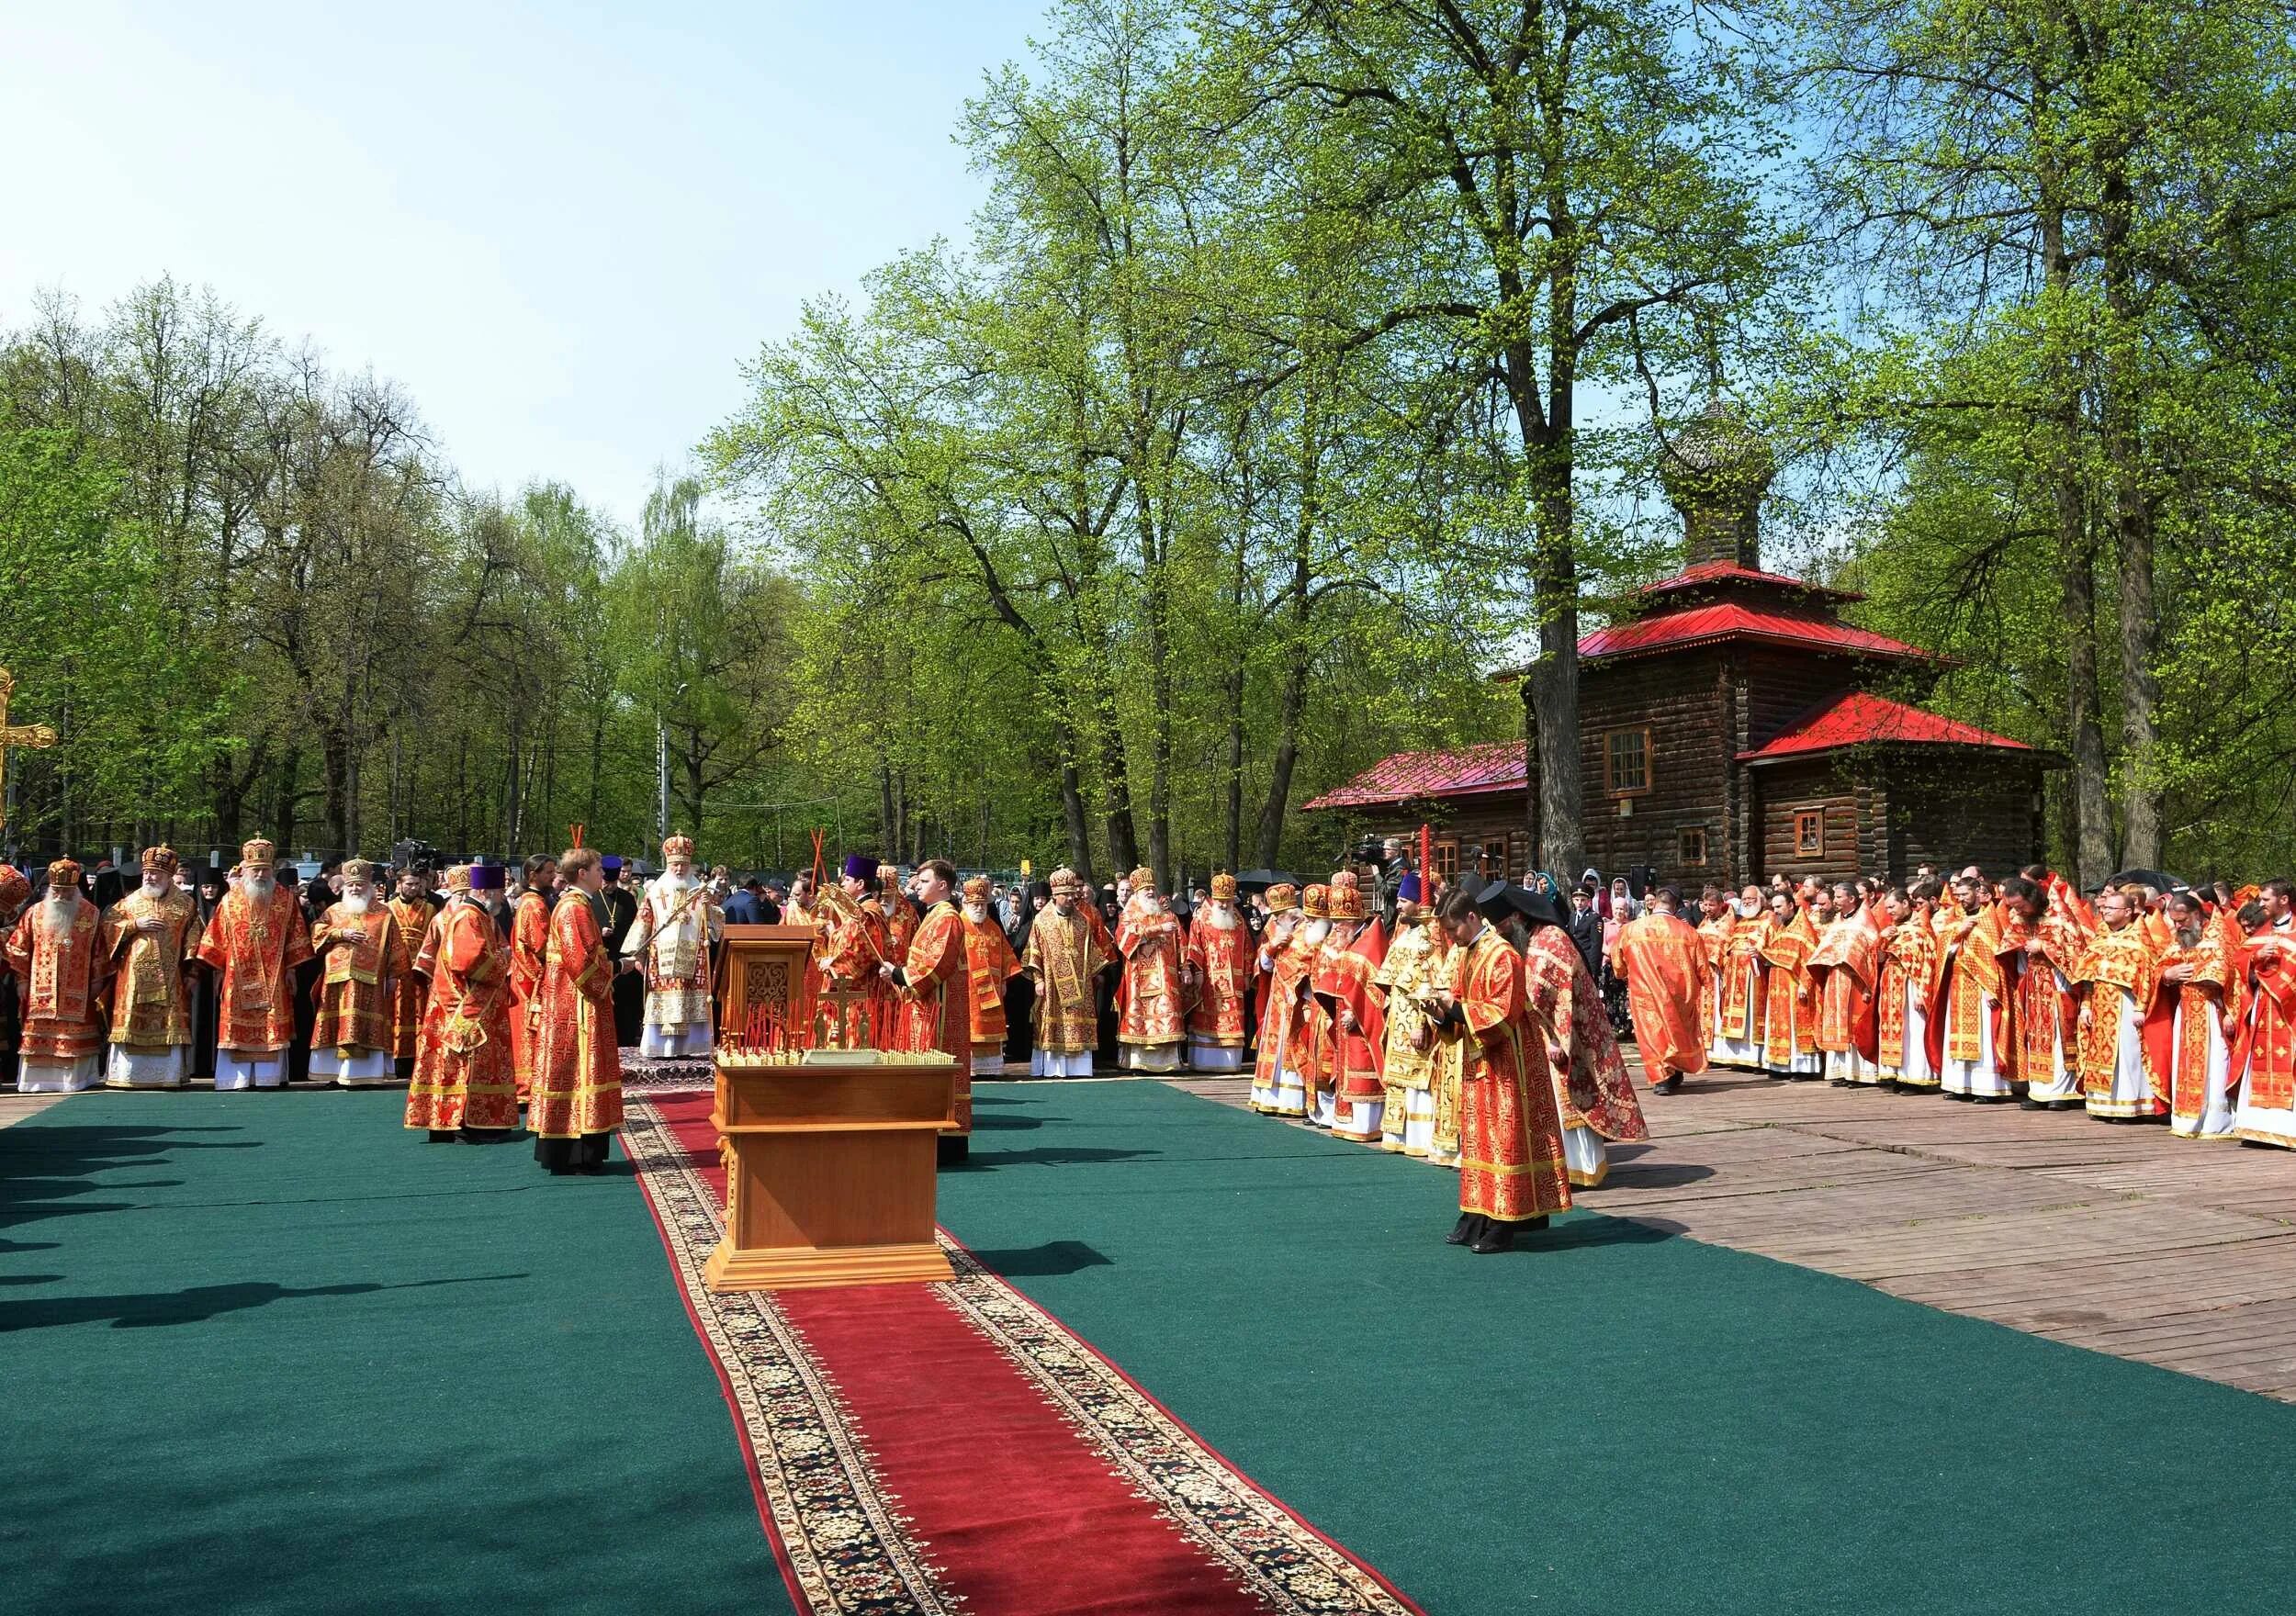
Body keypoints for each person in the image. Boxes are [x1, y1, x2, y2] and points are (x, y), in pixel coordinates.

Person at [1431, 885, 1570, 1254]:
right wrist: (1440, 1013)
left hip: (1510, 1062)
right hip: (1479, 1061)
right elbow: (1460, 1006)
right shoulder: (1466, 954)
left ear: (1472, 918)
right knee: (1479, 1139)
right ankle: (1477, 1211)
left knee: (1505, 1139)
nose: (1450, 938)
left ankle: (1505, 1220)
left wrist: (1455, 1007)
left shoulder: (1503, 957)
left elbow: (1500, 1016)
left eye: (1453, 930)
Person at [1521, 885, 1647, 1187]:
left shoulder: (1551, 941)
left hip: (1566, 1037)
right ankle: (1572, 1166)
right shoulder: (1544, 938)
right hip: (1565, 1033)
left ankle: (1578, 1168)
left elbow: (1553, 994)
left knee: (1572, 1100)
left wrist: (1555, 1038)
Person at [405, 864, 518, 1141]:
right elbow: (469, 961)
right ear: (483, 890)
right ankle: (464, 1123)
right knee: (461, 1065)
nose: (503, 897)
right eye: (500, 892)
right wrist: (504, 958)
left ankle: (470, 1121)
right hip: (462, 1004)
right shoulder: (469, 917)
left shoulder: (479, 915)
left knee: (465, 1065)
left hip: (471, 1003)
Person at [531, 847, 625, 1174]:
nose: (604, 874)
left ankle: (581, 1150)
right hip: (578, 1005)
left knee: (576, 1071)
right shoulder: (574, 908)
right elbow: (580, 963)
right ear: (582, 873)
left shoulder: (579, 904)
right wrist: (618, 968)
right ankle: (576, 1153)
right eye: (599, 868)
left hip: (575, 999)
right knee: (576, 1070)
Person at [197, 836, 315, 1091]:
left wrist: (292, 969)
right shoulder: (230, 900)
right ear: (246, 870)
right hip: (235, 974)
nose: (261, 874)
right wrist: (217, 970)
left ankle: (268, 1078)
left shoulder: (285, 899)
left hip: (276, 975)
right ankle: (236, 1079)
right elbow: (216, 936)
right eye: (255, 870)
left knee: (273, 1022)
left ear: (272, 870)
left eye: (265, 869)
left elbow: (297, 936)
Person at [882, 858, 974, 1158]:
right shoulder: (933, 915)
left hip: (941, 1008)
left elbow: (938, 963)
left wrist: (899, 973)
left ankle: (943, 1136)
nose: (917, 886)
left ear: (942, 885)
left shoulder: (947, 918)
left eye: (924, 882)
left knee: (939, 1064)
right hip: (927, 1004)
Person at [96, 845, 203, 1089]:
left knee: (168, 1023)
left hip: (170, 976)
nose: (150, 877)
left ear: (168, 876)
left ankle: (167, 1075)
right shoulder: (128, 904)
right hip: (132, 978)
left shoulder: (185, 905)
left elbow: (195, 938)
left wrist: (193, 972)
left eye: (156, 873)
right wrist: (134, 925)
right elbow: (107, 930)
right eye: (147, 873)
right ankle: (127, 1075)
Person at [6, 858, 111, 1093]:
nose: (61, 896)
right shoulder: (34, 913)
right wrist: (22, 980)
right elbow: (19, 948)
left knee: (75, 1034)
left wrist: (96, 982)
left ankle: (75, 1080)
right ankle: (36, 1082)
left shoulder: (90, 914)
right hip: (39, 987)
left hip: (79, 989)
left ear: (76, 889)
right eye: (57, 890)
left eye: (66, 891)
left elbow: (100, 952)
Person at [308, 858, 412, 1088]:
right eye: (351, 885)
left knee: (366, 1025)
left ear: (369, 886)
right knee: (336, 1023)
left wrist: (394, 976)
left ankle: (365, 1074)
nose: (355, 889)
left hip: (372, 979)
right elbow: (317, 933)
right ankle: (334, 1073)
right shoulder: (334, 911)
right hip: (337, 977)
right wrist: (340, 933)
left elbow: (396, 946)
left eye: (360, 885)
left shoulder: (384, 913)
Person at [622, 835, 723, 1060]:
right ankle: (663, 1047)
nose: (679, 869)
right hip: (661, 957)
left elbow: (716, 925)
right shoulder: (655, 891)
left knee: (692, 999)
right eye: (675, 864)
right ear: (668, 865)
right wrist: (637, 954)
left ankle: (691, 1047)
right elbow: (644, 920)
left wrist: (708, 907)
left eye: (684, 865)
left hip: (694, 955)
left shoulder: (700, 889)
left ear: (690, 866)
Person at [2072, 883, 2166, 1121]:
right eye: (2104, 908)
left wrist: (2141, 1007)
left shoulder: (2140, 940)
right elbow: (2087, 979)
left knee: (2127, 1055)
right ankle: (2102, 1105)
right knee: (2099, 1054)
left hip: (2126, 1004)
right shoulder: (2099, 939)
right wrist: (2085, 1005)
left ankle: (2128, 1106)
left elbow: (2148, 977)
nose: (2105, 912)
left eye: (2112, 908)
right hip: (2099, 1005)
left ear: (2128, 911)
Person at [1373, 874, 1448, 1155]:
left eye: (1404, 901)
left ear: (1420, 903)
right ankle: (1398, 1136)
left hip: (1417, 1021)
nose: (1399, 905)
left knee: (1419, 1079)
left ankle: (1418, 1138)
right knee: (1398, 1077)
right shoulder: (1407, 933)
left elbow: (1431, 981)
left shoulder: (1433, 936)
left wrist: (1420, 1024)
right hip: (1398, 1018)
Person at [1610, 885, 1710, 1094]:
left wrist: (1626, 974)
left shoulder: (1630, 930)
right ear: (1674, 907)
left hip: (1645, 992)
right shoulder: (1689, 932)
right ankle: (1674, 1070)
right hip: (1680, 993)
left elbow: (1618, 964)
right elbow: (1703, 969)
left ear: (1654, 903)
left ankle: (1662, 1077)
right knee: (1676, 1030)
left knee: (1653, 1033)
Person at [2156, 889, 2238, 1140]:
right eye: (2174, 921)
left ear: (2197, 915)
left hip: (2211, 1010)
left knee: (2214, 1065)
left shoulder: (2218, 939)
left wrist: (2228, 1012)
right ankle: (2186, 1120)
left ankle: (2215, 1121)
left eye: (2182, 920)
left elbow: (2231, 975)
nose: (2178, 926)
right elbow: (2158, 969)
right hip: (2185, 1012)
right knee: (2184, 1064)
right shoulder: (2178, 941)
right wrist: (2166, 976)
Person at [1931, 871, 2020, 1102]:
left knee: (1984, 1037)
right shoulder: (1955, 919)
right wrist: (1959, 931)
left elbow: (1997, 957)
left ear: (1978, 893)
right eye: (1958, 894)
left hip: (1982, 985)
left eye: (1965, 893)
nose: (1961, 898)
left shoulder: (1990, 918)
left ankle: (1987, 1088)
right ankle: (1959, 1085)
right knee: (1957, 1034)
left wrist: (1994, 988)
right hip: (1958, 983)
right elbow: (1943, 950)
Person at [1314, 871, 1388, 1142]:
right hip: (1345, 1018)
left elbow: (1376, 990)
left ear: (1353, 920)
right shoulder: (1350, 941)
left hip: (1362, 1023)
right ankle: (1349, 1121)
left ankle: (1366, 1125)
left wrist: (1356, 1013)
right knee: (1347, 1066)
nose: (1336, 929)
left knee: (1362, 1068)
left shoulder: (1370, 944)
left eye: (1340, 923)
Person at [1021, 868, 1109, 1076]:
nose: (1071, 898)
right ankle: (1054, 1069)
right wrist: (1038, 980)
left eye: (1073, 894)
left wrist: (1097, 973)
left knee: (1079, 1024)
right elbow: (1033, 953)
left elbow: (1092, 951)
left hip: (1081, 984)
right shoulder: (1042, 921)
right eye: (1066, 895)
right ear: (1055, 895)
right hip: (1052, 986)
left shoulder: (1082, 921)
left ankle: (1080, 1068)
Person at [2230, 879, 2296, 1148]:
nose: (2260, 904)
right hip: (2262, 1006)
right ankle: (2258, 1127)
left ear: (2283, 900)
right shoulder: (2261, 933)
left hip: (2290, 1009)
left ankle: (2288, 1130)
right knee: (2259, 1057)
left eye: (2265, 899)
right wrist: (2256, 958)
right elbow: (2240, 962)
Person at [2019, 874, 2091, 1110]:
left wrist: (2044, 946)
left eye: (2020, 905)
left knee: (2060, 1037)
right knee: (2037, 1036)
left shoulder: (2061, 917)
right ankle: (2038, 1091)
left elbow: (2075, 950)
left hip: (2060, 986)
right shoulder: (2027, 919)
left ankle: (2063, 1092)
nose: (2018, 911)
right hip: (2036, 987)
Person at [1809, 881, 1883, 1087]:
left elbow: (1873, 949)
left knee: (1855, 1024)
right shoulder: (1837, 922)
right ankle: (1842, 1071)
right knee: (1838, 1024)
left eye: (1839, 897)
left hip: (1856, 980)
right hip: (1835, 977)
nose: (1836, 901)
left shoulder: (1865, 920)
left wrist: (1867, 983)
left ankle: (1862, 1074)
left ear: (1851, 899)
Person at [1112, 868, 1187, 1072]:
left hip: (1166, 976)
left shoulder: (1167, 914)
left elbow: (1181, 941)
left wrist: (1186, 968)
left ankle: (1168, 1062)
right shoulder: (1129, 914)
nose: (1150, 892)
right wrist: (1156, 930)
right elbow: (1123, 941)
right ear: (1137, 893)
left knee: (1166, 1015)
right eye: (1145, 889)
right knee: (1140, 1019)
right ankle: (1139, 1061)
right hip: (1139, 978)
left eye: (1152, 888)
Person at [1184, 872, 1259, 1073]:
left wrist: (1246, 975)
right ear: (1213, 898)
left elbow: (1247, 949)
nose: (1224, 905)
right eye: (1221, 901)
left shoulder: (1239, 920)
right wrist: (1198, 971)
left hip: (1234, 981)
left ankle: (1229, 1063)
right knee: (1209, 1019)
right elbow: (1194, 946)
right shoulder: (1202, 918)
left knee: (1233, 1019)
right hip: (1210, 979)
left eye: (1228, 901)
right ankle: (1205, 1062)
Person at [1248, 883, 1311, 1116]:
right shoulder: (1272, 928)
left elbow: (1309, 962)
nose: (1275, 920)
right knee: (1275, 1048)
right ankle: (1269, 1097)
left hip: (1297, 1000)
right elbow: (1262, 964)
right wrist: (1271, 948)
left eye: (1279, 916)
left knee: (1293, 1047)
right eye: (1275, 917)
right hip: (1276, 998)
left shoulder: (1308, 931)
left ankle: (1292, 1101)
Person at [816, 853, 893, 1048]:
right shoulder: (857, 910)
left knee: (857, 1042)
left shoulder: (868, 912)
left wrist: (832, 964)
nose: (842, 884)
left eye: (847, 880)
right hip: (853, 992)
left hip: (862, 991)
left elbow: (863, 952)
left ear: (860, 884)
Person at [1874, 883, 1942, 1089]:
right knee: (1894, 1031)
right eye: (1887, 908)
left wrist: (1923, 993)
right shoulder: (1893, 930)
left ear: (1906, 903)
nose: (1889, 912)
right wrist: (1881, 939)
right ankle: (1894, 1073)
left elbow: (1929, 962)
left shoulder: (1921, 928)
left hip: (1912, 985)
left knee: (1913, 1029)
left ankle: (1917, 1076)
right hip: (1891, 984)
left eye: (1892, 906)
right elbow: (1878, 958)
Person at [955, 874, 1022, 1077]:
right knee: (970, 1028)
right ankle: (972, 1069)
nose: (979, 908)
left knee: (990, 1029)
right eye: (975, 903)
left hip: (993, 988)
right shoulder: (958, 925)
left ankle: (990, 1068)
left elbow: (1006, 956)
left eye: (983, 903)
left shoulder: (993, 927)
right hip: (968, 988)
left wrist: (1003, 980)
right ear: (965, 902)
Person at [1758, 887, 1822, 1079]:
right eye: (1774, 907)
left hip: (1794, 984)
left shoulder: (1804, 928)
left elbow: (1809, 959)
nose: (1775, 911)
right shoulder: (1780, 927)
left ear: (1791, 906)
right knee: (1779, 1023)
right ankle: (1780, 1065)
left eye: (1779, 907)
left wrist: (1805, 984)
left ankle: (1801, 1068)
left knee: (1795, 1026)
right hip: (1777, 984)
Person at [509, 853, 557, 1099]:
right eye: (548, 872)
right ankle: (527, 1088)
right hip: (531, 978)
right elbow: (541, 946)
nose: (553, 876)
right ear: (533, 875)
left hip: (527, 976)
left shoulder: (532, 901)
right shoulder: (534, 905)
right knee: (530, 1034)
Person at [597, 855, 644, 1048]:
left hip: (625, 960)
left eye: (613, 882)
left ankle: (627, 1039)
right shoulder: (591, 898)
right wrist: (599, 931)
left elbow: (637, 928)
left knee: (627, 1007)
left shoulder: (627, 899)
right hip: (602, 960)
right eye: (607, 882)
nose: (610, 886)